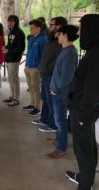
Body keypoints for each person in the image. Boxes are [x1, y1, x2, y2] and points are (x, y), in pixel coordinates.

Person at [65, 14, 99, 190]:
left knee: (84, 149)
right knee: (87, 146)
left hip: (83, 112)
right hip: (81, 110)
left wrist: (83, 116)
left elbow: (93, 91)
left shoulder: (96, 55)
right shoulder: (93, 51)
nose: (80, 34)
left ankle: (85, 184)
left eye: (83, 29)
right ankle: (85, 177)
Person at [47, 24, 79, 159]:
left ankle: (61, 148)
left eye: (59, 34)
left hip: (61, 93)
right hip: (58, 91)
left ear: (65, 35)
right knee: (58, 119)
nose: (57, 36)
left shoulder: (70, 52)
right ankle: (59, 139)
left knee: (60, 120)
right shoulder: (65, 50)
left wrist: (55, 89)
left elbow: (66, 77)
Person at [33, 17, 67, 133]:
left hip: (51, 75)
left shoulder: (61, 42)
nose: (49, 26)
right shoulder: (52, 39)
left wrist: (47, 69)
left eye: (52, 24)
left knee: (51, 101)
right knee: (46, 100)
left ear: (59, 26)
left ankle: (52, 124)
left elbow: (58, 61)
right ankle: (45, 119)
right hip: (45, 74)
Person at [23, 19, 48, 116]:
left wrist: (38, 67)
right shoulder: (32, 38)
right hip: (28, 66)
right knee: (30, 87)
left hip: (36, 68)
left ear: (39, 28)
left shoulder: (43, 39)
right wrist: (26, 65)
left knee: (36, 88)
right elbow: (29, 52)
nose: (30, 30)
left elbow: (44, 56)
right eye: (30, 28)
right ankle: (32, 104)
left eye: (32, 28)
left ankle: (37, 107)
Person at [2, 15, 25, 106]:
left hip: (14, 59)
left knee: (14, 79)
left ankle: (16, 98)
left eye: (12, 21)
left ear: (16, 22)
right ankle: (12, 95)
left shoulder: (19, 33)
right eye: (8, 21)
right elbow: (11, 44)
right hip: (8, 58)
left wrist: (9, 50)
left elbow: (21, 48)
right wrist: (6, 47)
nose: (9, 23)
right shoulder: (11, 32)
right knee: (10, 79)